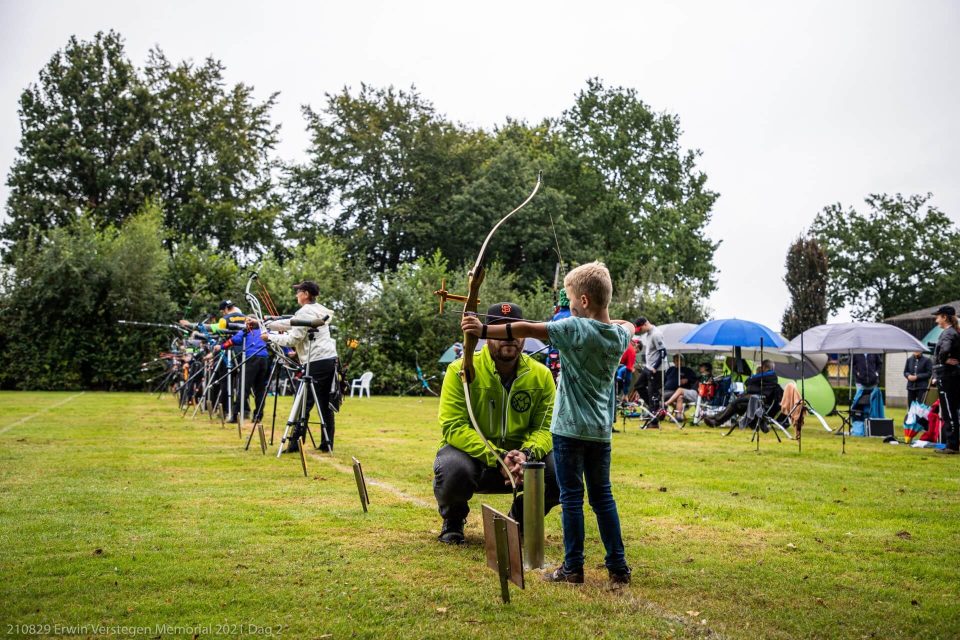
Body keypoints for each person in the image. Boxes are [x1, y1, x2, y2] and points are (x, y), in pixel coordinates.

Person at [462, 262, 633, 587]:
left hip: (569, 430)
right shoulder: (620, 336)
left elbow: (523, 328)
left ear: (583, 301)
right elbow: (627, 324)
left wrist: (481, 331)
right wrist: (609, 312)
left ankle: (573, 568)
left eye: (570, 300)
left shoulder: (574, 328)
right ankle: (618, 567)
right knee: (602, 497)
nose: (568, 306)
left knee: (572, 497)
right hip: (600, 432)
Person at [435, 302, 559, 544]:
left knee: (563, 468)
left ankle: (520, 518)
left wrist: (526, 454)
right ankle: (454, 519)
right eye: (500, 330)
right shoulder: (460, 370)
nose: (508, 337)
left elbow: (546, 428)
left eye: (514, 330)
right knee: (452, 466)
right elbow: (453, 427)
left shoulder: (542, 375)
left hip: (521, 463)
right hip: (477, 459)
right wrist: (498, 456)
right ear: (486, 335)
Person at [263, 281, 338, 452]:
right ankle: (327, 443)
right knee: (325, 402)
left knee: (304, 401)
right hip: (329, 359)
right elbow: (292, 322)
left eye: (298, 292)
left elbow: (292, 339)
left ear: (305, 294)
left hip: (315, 361)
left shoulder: (305, 311)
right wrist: (270, 322)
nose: (296, 295)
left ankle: (294, 442)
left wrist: (270, 337)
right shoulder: (318, 309)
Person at [215, 317, 270, 425]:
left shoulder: (246, 330)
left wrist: (221, 346)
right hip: (264, 360)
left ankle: (236, 416)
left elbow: (234, 340)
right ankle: (258, 416)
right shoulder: (265, 330)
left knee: (243, 388)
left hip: (251, 359)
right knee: (260, 389)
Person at [702, 360, 780, 428]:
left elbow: (749, 380)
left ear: (765, 367)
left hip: (758, 401)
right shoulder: (768, 376)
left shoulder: (769, 374)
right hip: (755, 399)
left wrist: (756, 375)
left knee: (735, 402)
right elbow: (750, 384)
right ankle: (716, 420)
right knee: (736, 405)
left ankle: (716, 420)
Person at [931, 306, 960, 454]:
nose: (936, 320)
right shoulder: (954, 331)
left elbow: (945, 349)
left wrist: (943, 360)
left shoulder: (948, 333)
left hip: (947, 376)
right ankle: (952, 443)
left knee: (949, 411)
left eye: (938, 317)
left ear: (945, 317)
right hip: (953, 375)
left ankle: (952, 445)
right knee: (953, 410)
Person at [633, 317, 666, 410]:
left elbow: (663, 352)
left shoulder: (656, 334)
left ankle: (654, 419)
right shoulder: (648, 334)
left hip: (656, 369)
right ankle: (655, 408)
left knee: (652, 393)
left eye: (641, 329)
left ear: (645, 324)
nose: (640, 331)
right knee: (638, 386)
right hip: (648, 367)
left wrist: (655, 367)